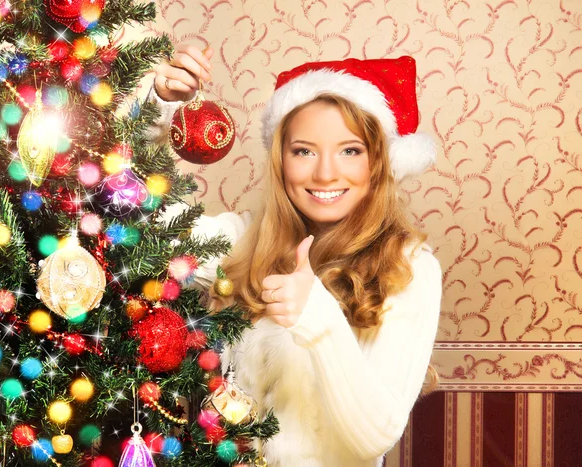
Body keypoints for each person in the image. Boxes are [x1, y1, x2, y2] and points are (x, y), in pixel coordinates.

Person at [149, 43, 442, 467]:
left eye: (350, 150)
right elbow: (143, 221)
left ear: (379, 162)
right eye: (304, 150)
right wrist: (159, 109)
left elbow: (374, 438)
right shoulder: (245, 239)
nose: (325, 173)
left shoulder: (410, 269)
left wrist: (316, 318)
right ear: (281, 159)